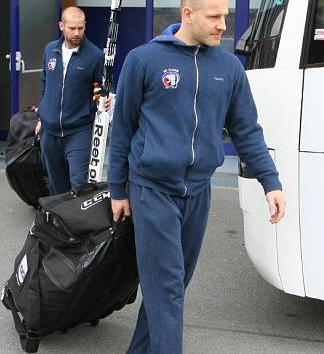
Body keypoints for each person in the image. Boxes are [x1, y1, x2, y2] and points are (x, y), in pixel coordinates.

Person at [107, 0, 286, 352]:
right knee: (168, 288)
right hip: (152, 190)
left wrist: (271, 182)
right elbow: (122, 130)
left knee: (169, 288)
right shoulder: (143, 60)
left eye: (226, 16)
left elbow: (247, 130)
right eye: (214, 17)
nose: (224, 25)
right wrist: (118, 189)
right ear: (187, 15)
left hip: (198, 192)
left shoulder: (230, 67)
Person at [35, 6, 110, 195]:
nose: (77, 33)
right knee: (56, 186)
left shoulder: (95, 56)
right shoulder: (49, 50)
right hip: (50, 131)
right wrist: (42, 116)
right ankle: (57, 223)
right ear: (61, 26)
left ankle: (79, 223)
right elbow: (45, 84)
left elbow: (103, 90)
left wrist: (105, 99)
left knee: (79, 186)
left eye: (80, 28)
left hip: (79, 131)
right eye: (72, 28)